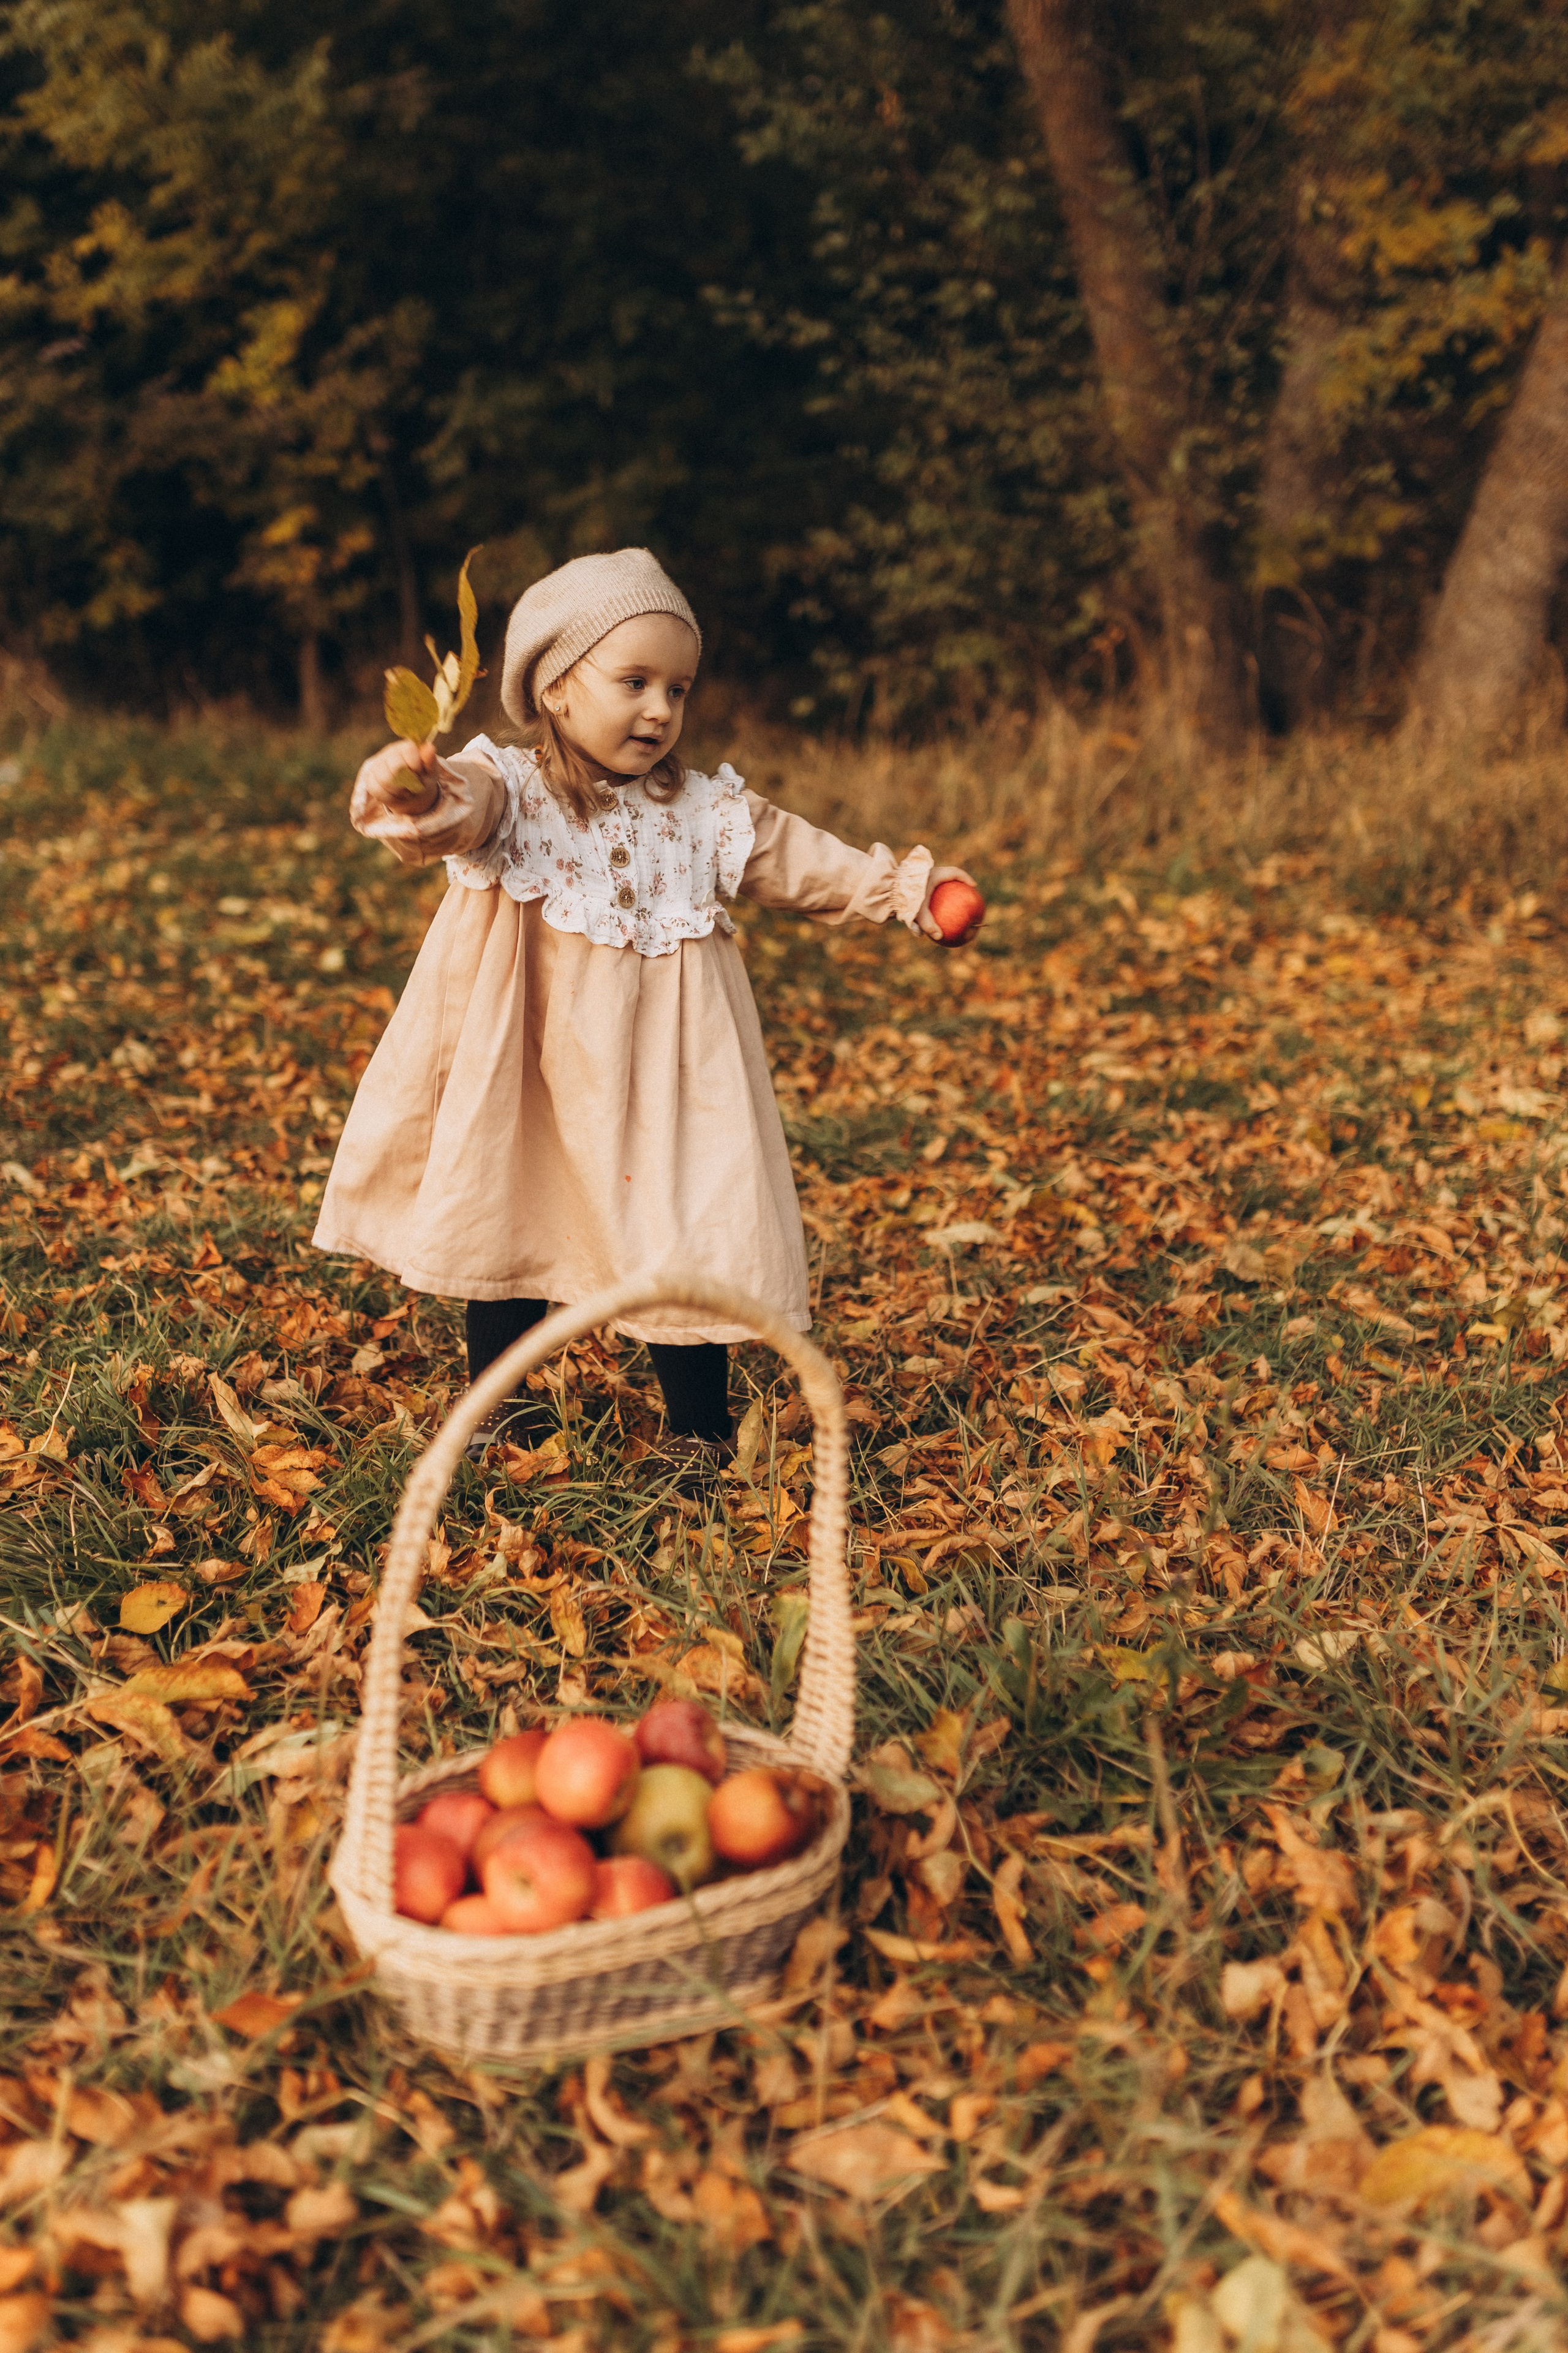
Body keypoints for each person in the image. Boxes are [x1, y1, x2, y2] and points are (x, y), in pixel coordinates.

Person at [312, 548, 981, 1461]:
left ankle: (698, 1431)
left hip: (670, 1073)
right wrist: (418, 785)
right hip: (535, 1070)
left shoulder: (704, 812)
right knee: (513, 1209)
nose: (661, 708)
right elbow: (451, 811)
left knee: (683, 1230)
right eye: (634, 681)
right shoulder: (512, 791)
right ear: (554, 687)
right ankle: (499, 1404)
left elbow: (799, 860)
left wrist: (904, 890)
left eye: (679, 687)